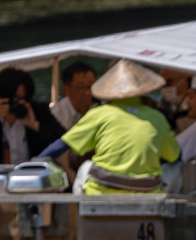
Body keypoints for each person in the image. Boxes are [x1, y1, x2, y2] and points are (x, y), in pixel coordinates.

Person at [38, 60, 180, 194]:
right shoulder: (158, 118)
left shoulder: (100, 114)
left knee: (85, 166)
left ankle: (76, 218)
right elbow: (174, 156)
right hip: (149, 192)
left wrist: (35, 162)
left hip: (100, 192)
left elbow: (61, 146)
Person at [0, 67, 65, 166]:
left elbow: (63, 137)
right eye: (14, 99)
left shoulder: (37, 110)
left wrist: (34, 124)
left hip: (34, 171)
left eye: (24, 99)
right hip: (1, 174)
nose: (19, 103)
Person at [50, 60, 98, 130]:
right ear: (66, 89)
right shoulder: (56, 116)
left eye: (91, 86)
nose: (87, 93)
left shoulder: (100, 108)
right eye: (81, 87)